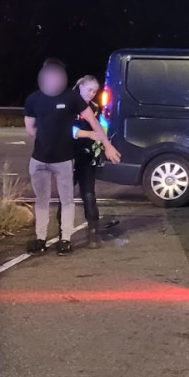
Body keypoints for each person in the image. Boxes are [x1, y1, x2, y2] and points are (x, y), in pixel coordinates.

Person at [24, 60, 118, 255]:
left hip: (65, 159)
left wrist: (107, 145)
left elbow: (94, 122)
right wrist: (46, 140)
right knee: (42, 200)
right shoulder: (33, 99)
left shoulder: (72, 99)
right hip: (40, 159)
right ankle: (41, 238)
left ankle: (66, 239)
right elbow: (30, 128)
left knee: (69, 199)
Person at [71, 74, 114, 247]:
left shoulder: (96, 108)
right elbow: (65, 129)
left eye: (95, 91)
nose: (92, 94)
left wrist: (105, 144)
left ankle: (93, 232)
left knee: (88, 192)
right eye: (89, 90)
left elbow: (103, 127)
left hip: (87, 155)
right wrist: (88, 134)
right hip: (67, 154)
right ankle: (62, 234)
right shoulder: (69, 105)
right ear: (80, 87)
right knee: (65, 195)